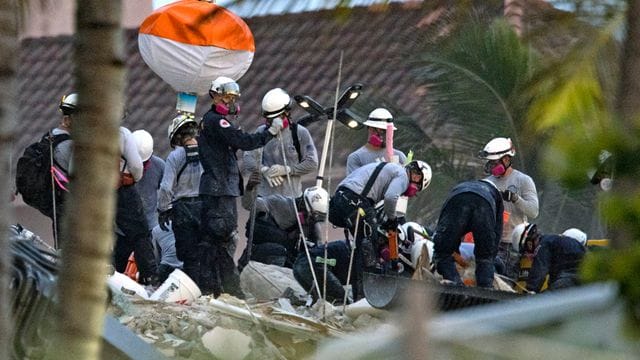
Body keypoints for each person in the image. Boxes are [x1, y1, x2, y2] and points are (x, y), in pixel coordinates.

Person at [198, 77, 284, 298]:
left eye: (233, 99)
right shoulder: (217, 121)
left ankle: (213, 288)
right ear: (215, 96)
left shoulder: (213, 122)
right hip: (219, 190)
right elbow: (244, 141)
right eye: (226, 98)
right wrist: (270, 132)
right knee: (221, 238)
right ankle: (230, 290)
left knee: (214, 241)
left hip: (218, 189)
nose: (230, 103)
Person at [328, 160, 432, 300]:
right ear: (417, 178)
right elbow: (390, 197)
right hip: (356, 200)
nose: (413, 188)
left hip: (340, 199)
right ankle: (365, 297)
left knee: (361, 250)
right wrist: (392, 220)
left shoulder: (391, 170)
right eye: (417, 183)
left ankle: (358, 294)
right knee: (369, 249)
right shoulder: (402, 175)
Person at [478, 137, 538, 277]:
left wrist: (515, 198)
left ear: (506, 160)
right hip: (491, 242)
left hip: (512, 244)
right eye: (490, 163)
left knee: (506, 280)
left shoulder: (523, 181)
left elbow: (533, 211)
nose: (491, 166)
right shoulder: (486, 183)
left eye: (494, 163)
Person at [243, 88, 318, 197]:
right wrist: (264, 170)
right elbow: (248, 158)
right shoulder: (261, 132)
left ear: (286, 113)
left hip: (292, 198)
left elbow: (312, 163)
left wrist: (288, 169)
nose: (271, 122)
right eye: (269, 119)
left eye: (276, 118)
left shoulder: (299, 133)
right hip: (265, 199)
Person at [239, 178, 329, 268]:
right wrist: (249, 189)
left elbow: (318, 252)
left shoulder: (313, 226)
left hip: (287, 260)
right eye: (312, 217)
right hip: (258, 256)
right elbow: (249, 205)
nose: (314, 222)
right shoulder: (279, 203)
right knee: (279, 251)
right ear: (303, 206)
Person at [157, 114, 204, 285]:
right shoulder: (207, 152)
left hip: (183, 210)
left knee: (188, 256)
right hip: (206, 207)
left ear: (177, 137)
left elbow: (166, 188)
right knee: (206, 253)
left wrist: (163, 209)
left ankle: (193, 292)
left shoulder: (175, 156)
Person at [431, 179, 504, 288]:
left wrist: (445, 248)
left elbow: (443, 224)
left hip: (458, 199)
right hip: (484, 206)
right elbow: (496, 235)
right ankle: (484, 293)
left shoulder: (460, 187)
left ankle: (454, 285)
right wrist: (489, 256)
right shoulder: (495, 197)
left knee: (443, 253)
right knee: (485, 258)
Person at [113, 125, 158, 285]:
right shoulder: (122, 134)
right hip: (120, 193)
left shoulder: (89, 133)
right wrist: (133, 178)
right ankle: (150, 278)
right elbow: (137, 168)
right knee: (141, 236)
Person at [515, 224, 587, 292]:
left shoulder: (543, 244)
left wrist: (528, 291)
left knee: (546, 300)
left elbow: (539, 272)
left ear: (529, 243)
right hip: (581, 276)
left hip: (574, 276)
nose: (527, 255)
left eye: (526, 250)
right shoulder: (552, 241)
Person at [346, 108, 407, 175]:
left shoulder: (399, 156)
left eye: (389, 132)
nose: (387, 135)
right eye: (383, 131)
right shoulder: (357, 158)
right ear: (371, 129)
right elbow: (354, 183)